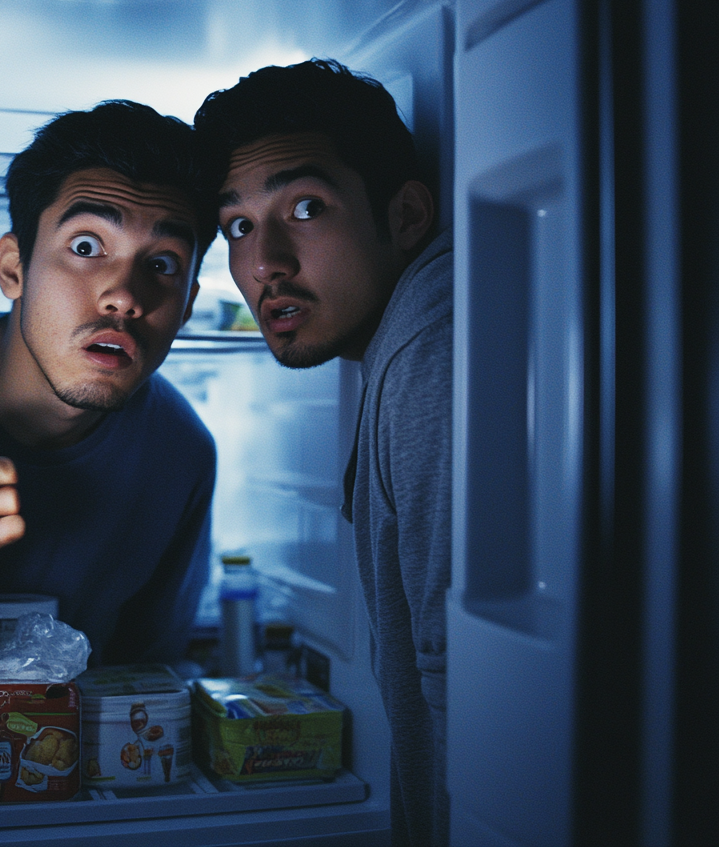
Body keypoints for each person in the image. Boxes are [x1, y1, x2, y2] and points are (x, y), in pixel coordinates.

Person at [195, 60, 451, 847]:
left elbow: (460, 690)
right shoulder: (409, 331)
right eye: (237, 225)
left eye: (305, 207)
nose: (263, 260)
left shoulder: (426, 353)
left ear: (406, 215)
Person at [0, 100, 223, 663]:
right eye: (86, 247)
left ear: (186, 309)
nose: (124, 296)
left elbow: (145, 681)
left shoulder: (182, 455)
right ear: (14, 268)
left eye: (162, 265)